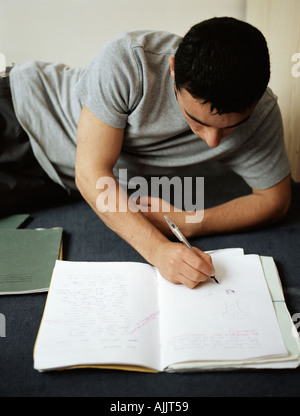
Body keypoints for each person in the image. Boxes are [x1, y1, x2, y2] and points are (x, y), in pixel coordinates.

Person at [1, 17, 291, 288]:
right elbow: (91, 173)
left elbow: (275, 200)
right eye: (199, 122)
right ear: (173, 69)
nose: (213, 142)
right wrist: (158, 250)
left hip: (59, 182)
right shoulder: (129, 58)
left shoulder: (262, 114)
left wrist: (191, 221)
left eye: (231, 127)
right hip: (21, 115)